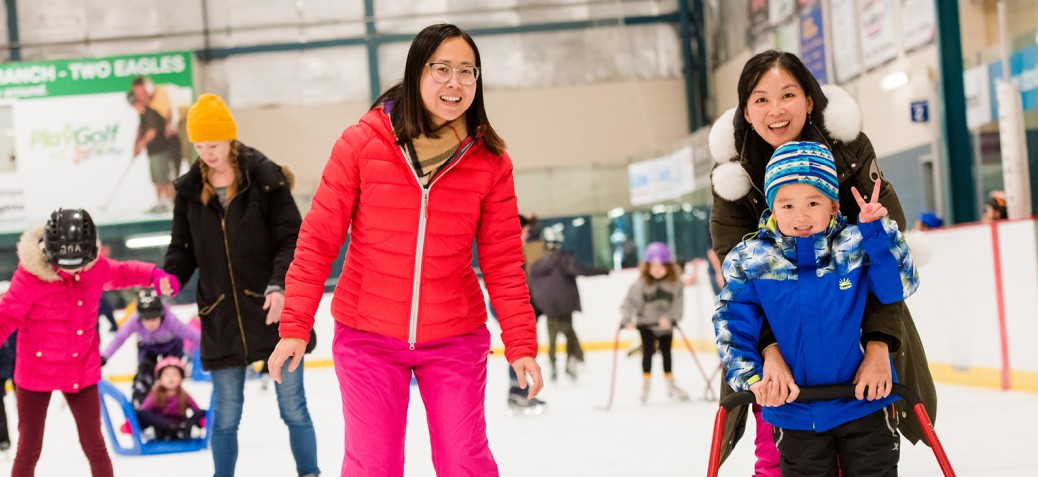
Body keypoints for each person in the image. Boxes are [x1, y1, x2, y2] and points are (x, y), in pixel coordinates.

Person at [267, 23, 543, 477]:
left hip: (454, 335)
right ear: (417, 73)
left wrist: (520, 343)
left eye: (467, 71)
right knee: (372, 466)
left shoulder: (489, 160)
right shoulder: (361, 144)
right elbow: (318, 239)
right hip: (367, 335)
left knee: (464, 462)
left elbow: (503, 260)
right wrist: (296, 324)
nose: (455, 83)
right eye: (442, 69)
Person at [707, 49, 937, 474]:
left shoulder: (848, 153)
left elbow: (886, 262)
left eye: (788, 95)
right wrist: (766, 351)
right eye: (761, 99)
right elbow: (739, 288)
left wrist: (879, 345)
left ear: (810, 100)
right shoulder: (733, 180)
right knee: (777, 457)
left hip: (856, 346)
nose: (775, 110)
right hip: (783, 359)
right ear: (746, 110)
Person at [714, 141, 919, 475]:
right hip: (794, 410)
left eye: (813, 202)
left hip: (864, 402)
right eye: (787, 205)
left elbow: (898, 285)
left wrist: (878, 235)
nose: (801, 216)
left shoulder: (854, 245)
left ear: (834, 206)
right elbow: (731, 323)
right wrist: (754, 377)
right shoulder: (753, 259)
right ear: (772, 207)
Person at [162, 93, 320, 477]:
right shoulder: (188, 191)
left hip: (273, 312)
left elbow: (292, 239)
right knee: (226, 415)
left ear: (229, 139)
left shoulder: (265, 178)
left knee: (293, 406)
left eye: (212, 145)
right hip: (221, 317)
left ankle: (310, 473)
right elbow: (181, 249)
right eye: (199, 146)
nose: (206, 154)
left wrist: (279, 285)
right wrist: (170, 276)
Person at [0, 208, 178, 477]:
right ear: (48, 253)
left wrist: (154, 275)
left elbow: (124, 272)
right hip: (35, 374)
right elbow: (7, 315)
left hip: (79, 370)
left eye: (80, 264)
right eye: (66, 266)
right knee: (29, 449)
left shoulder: (95, 269)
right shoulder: (29, 277)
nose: (74, 271)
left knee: (95, 445)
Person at [528, 226, 609, 381]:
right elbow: (581, 270)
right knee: (569, 334)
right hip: (565, 305)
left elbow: (532, 288)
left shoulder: (537, 265)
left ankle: (553, 363)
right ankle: (571, 360)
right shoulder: (565, 260)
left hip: (549, 307)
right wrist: (603, 271)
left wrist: (535, 309)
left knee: (552, 337)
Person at [101, 288, 200, 406]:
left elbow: (190, 334)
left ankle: (172, 404)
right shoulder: (134, 320)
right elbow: (119, 338)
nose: (150, 323)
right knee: (144, 373)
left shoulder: (170, 319)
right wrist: (104, 357)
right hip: (148, 347)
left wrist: (209, 346)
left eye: (154, 318)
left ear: (161, 315)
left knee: (170, 374)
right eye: (146, 319)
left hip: (170, 345)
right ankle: (140, 405)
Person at [620, 242, 689, 403]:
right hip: (646, 325)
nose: (656, 270)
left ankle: (671, 383)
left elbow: (678, 305)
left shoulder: (676, 283)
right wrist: (627, 319)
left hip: (666, 327)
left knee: (666, 353)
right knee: (647, 352)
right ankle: (646, 383)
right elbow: (629, 302)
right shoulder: (641, 284)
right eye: (653, 266)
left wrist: (671, 318)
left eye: (661, 266)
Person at [129, 89, 177, 213]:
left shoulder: (151, 113)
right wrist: (136, 146)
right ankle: (159, 202)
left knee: (162, 177)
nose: (135, 106)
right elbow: (140, 131)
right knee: (156, 178)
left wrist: (140, 145)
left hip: (161, 149)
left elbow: (151, 133)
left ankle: (166, 202)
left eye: (135, 103)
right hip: (153, 152)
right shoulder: (142, 115)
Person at [137, 356, 205, 441]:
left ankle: (180, 431)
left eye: (175, 374)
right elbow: (143, 411)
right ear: (160, 379)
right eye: (166, 375)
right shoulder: (155, 395)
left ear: (181, 378)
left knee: (202, 412)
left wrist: (198, 420)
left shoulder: (184, 394)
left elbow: (196, 410)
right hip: (162, 426)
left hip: (181, 425)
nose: (171, 378)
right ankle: (169, 430)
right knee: (141, 414)